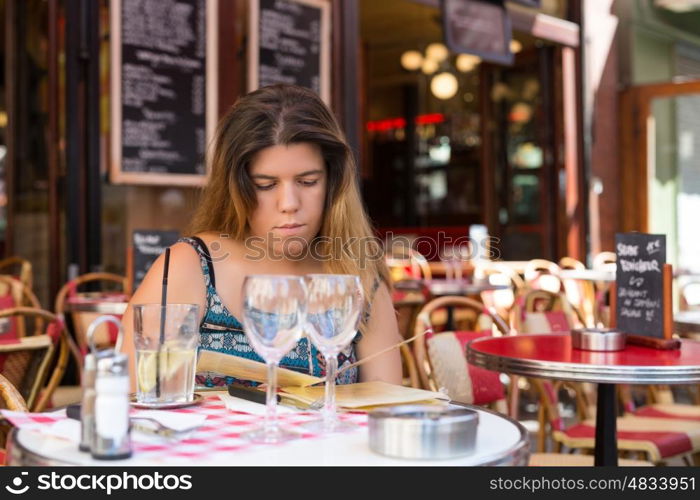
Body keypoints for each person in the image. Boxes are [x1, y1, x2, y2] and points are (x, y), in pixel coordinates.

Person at [122, 84, 403, 390]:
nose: (289, 203)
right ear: (237, 187)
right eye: (266, 184)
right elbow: (137, 397)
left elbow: (385, 405)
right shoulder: (191, 266)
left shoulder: (357, 273)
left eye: (308, 182)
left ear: (334, 182)